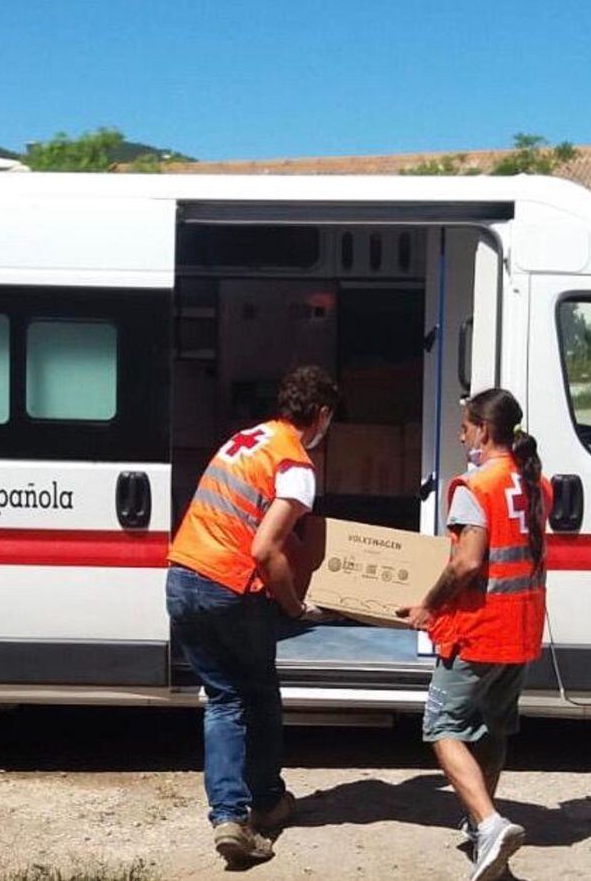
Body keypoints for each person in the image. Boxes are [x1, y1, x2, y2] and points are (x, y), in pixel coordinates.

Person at [166, 365, 339, 866]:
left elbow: (258, 524)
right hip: (230, 588)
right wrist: (295, 606)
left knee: (224, 699)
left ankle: (228, 815)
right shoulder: (296, 464)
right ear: (322, 414)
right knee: (259, 696)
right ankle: (263, 804)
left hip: (182, 577)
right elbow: (266, 549)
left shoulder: (248, 439)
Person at [397, 388, 552, 881]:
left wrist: (427, 604)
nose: (461, 434)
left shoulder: (476, 486)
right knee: (492, 729)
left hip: (479, 629)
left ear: (484, 430)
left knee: (442, 727)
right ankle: (482, 824)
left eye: (465, 425)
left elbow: (466, 561)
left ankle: (487, 823)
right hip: (522, 627)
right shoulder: (535, 483)